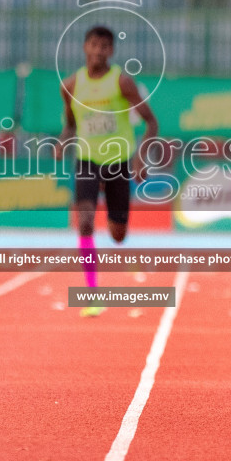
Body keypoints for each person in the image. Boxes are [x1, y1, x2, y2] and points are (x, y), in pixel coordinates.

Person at [58, 25, 159, 317]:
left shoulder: (123, 83)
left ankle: (118, 226)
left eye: (104, 46)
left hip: (118, 161)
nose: (98, 51)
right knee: (85, 222)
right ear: (85, 48)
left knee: (117, 235)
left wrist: (141, 158)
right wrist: (63, 142)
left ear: (111, 51)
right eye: (93, 45)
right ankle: (92, 294)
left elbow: (152, 123)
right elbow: (71, 123)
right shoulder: (70, 86)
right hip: (87, 159)